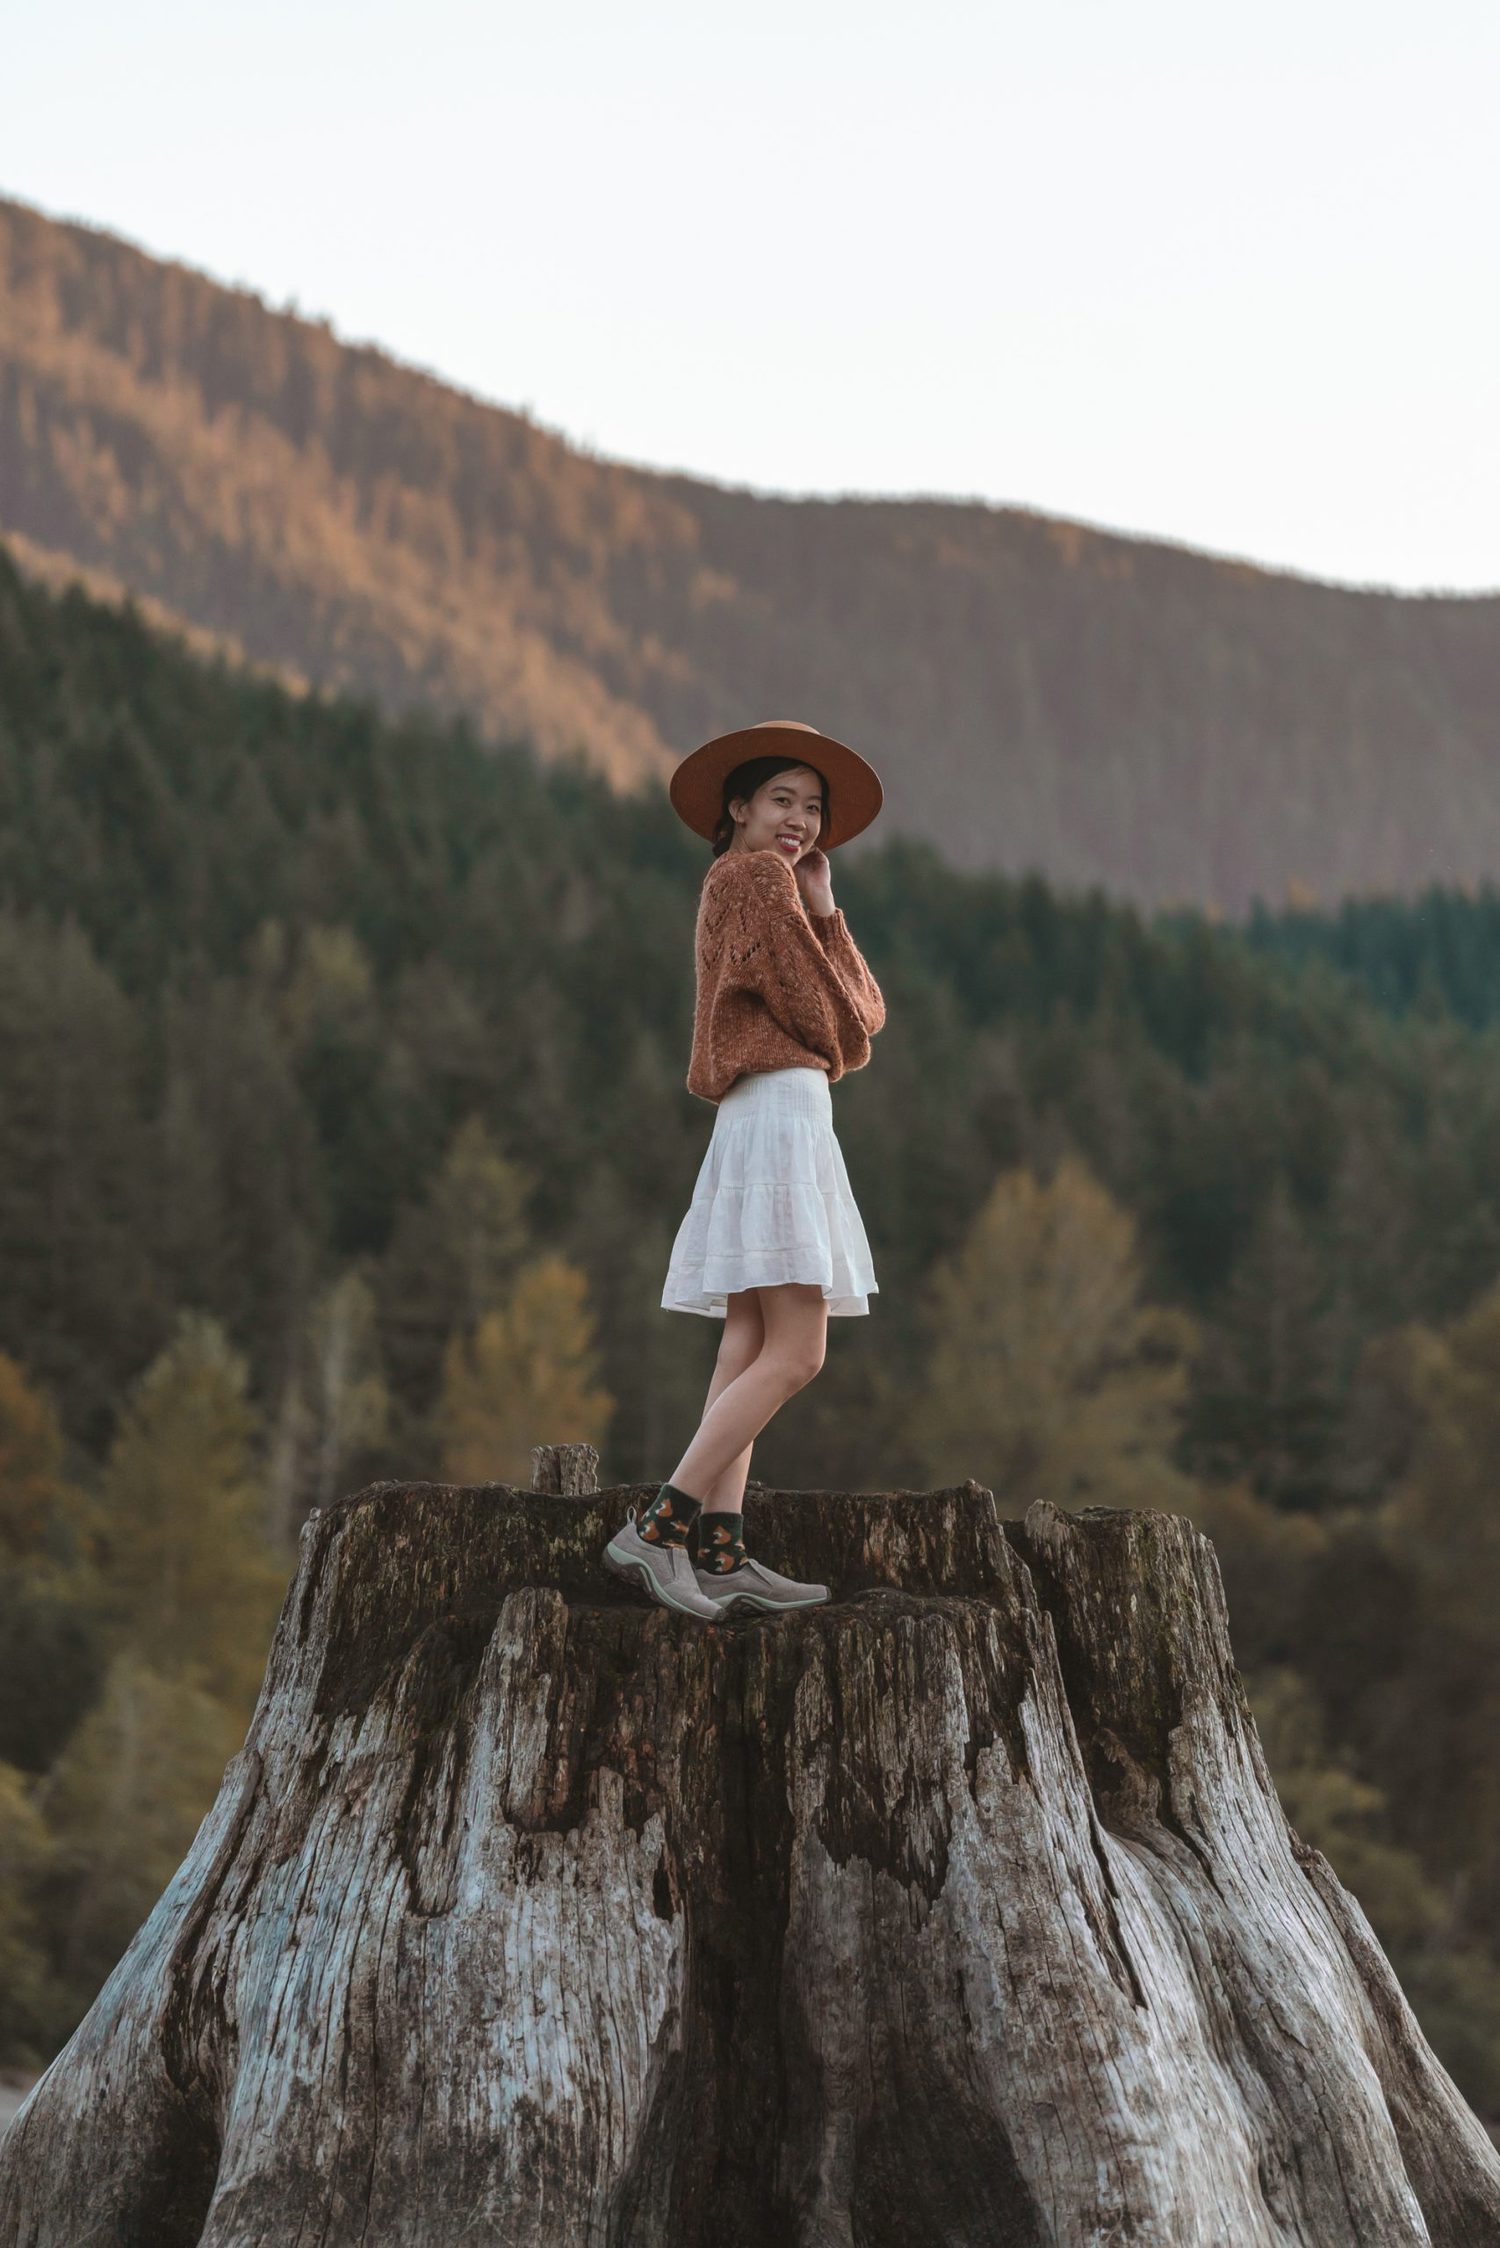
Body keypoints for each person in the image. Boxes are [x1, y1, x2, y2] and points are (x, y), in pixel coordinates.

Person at [603, 718, 887, 1621]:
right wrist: (836, 1017)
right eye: (781, 801)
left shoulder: (758, 884)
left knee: (747, 1344)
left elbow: (861, 1013)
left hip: (764, 1117)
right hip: (779, 1112)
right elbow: (836, 1019)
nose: (800, 820)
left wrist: (827, 908)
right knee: (799, 1352)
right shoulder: (754, 876)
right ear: (738, 807)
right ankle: (658, 1529)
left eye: (813, 808)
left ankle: (720, 1555)